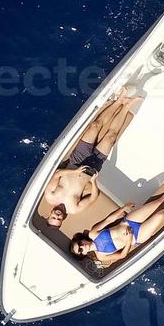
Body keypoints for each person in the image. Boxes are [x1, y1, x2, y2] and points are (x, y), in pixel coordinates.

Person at [42, 88, 143, 227]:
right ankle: (127, 106)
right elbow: (94, 197)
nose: (57, 215)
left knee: (95, 126)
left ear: (49, 214)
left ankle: (119, 100)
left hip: (76, 161)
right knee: (110, 137)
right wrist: (94, 182)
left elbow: (56, 175)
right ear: (63, 220)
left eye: (53, 217)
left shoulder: (50, 196)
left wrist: (75, 172)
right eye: (58, 219)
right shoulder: (74, 209)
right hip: (91, 170)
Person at [70, 169, 164, 267]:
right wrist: (129, 240)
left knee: (159, 202)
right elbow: (122, 255)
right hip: (137, 236)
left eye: (80, 244)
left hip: (128, 222)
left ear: (81, 240)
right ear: (83, 254)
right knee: (162, 214)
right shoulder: (102, 256)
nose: (83, 246)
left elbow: (109, 220)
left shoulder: (93, 233)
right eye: (80, 250)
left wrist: (123, 208)